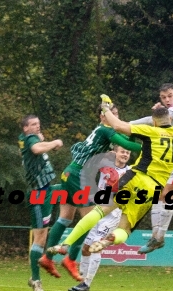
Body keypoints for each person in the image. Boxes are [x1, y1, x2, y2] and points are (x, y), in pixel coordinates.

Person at [49, 90, 173, 256]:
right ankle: (110, 238)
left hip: (134, 178)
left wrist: (105, 108)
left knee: (100, 210)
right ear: (170, 119)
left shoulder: (150, 131)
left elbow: (118, 126)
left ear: (154, 121)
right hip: (153, 189)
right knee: (125, 228)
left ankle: (66, 244)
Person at [38, 105, 141, 281]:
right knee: (90, 219)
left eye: (117, 114)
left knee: (65, 218)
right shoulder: (105, 130)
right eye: (111, 114)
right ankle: (70, 259)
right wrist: (148, 146)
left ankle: (47, 257)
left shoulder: (104, 132)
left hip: (70, 172)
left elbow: (126, 137)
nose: (115, 118)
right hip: (78, 175)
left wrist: (138, 132)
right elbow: (128, 144)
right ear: (102, 117)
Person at [130, 83, 173, 254]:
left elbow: (155, 120)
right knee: (159, 195)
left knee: (167, 193)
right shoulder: (165, 114)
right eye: (163, 97)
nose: (167, 100)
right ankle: (157, 237)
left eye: (170, 95)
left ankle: (158, 238)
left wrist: (126, 125)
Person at [68, 145, 131, 291]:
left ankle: (86, 284)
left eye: (128, 153)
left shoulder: (130, 172)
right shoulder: (105, 165)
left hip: (113, 212)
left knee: (96, 246)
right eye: (122, 151)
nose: (125, 155)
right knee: (86, 247)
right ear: (115, 152)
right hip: (97, 209)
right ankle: (81, 280)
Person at [18, 114, 63, 291]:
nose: (37, 126)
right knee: (40, 238)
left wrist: (46, 144)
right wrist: (55, 143)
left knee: (73, 190)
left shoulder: (29, 138)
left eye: (38, 123)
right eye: (33, 124)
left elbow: (38, 147)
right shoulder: (30, 139)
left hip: (47, 190)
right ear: (25, 128)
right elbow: (36, 149)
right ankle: (35, 280)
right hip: (38, 195)